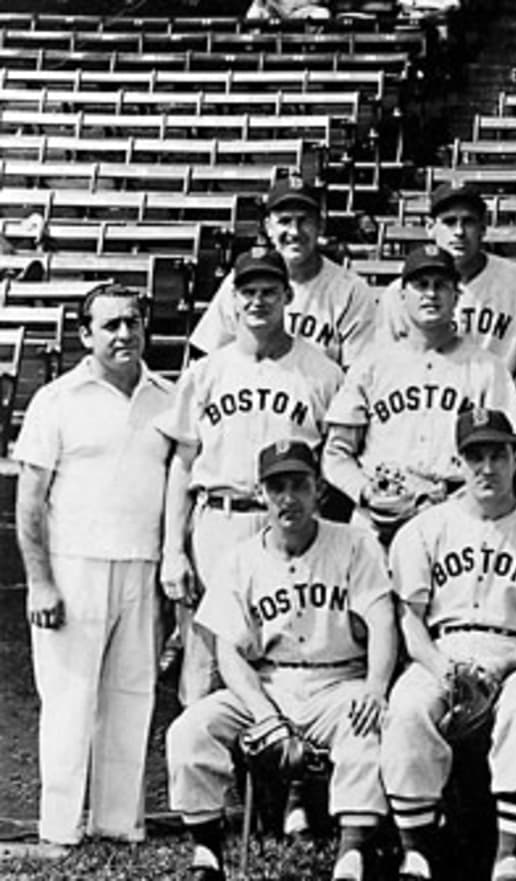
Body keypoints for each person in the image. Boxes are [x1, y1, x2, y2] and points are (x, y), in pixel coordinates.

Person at [165, 440, 397, 881]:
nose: (288, 498)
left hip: (339, 680)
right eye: (276, 488)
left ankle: (351, 855)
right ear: (261, 494)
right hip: (268, 683)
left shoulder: (356, 544)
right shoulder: (240, 559)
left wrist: (375, 688)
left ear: (319, 490)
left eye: (298, 485)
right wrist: (264, 715)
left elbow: (383, 620)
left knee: (365, 729)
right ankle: (207, 855)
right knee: (190, 730)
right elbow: (228, 650)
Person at [16, 286, 173, 846]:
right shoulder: (56, 399)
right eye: (109, 326)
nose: (124, 335)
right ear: (85, 335)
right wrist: (40, 583)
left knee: (133, 696)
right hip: (74, 567)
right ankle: (60, 827)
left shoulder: (166, 398)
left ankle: (117, 822)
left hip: (142, 566)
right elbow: (30, 499)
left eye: (132, 323)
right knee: (69, 699)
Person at [380, 409, 516, 881]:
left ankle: (511, 852)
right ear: (458, 461)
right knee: (407, 706)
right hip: (443, 648)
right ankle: (415, 848)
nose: (487, 467)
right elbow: (410, 622)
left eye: (497, 455)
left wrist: (505, 666)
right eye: (475, 456)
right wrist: (441, 668)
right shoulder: (424, 528)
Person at [160, 249, 347, 705]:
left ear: (288, 296)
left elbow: (335, 460)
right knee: (205, 655)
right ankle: (206, 767)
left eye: (269, 291)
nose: (258, 302)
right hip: (219, 519)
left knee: (280, 646)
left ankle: (275, 767)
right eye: (248, 292)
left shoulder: (323, 372)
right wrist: (171, 550)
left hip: (288, 523)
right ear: (233, 301)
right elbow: (183, 463)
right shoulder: (206, 372)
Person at [327, 246, 516, 543]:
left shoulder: (487, 367)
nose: (431, 294)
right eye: (421, 285)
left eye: (441, 285)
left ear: (457, 296)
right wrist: (364, 490)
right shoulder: (371, 365)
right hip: (380, 515)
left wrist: (468, 496)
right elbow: (336, 453)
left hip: (455, 511)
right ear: (401, 296)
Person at [190, 179, 378, 366]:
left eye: (304, 221)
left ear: (320, 226)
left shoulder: (351, 291)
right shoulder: (242, 281)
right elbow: (205, 359)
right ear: (268, 227)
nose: (294, 232)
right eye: (284, 221)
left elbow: (360, 376)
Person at [378, 184, 516, 373]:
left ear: (483, 228)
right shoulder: (401, 293)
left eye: (468, 222)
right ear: (430, 228)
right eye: (449, 222)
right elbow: (384, 364)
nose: (459, 232)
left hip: (497, 395)